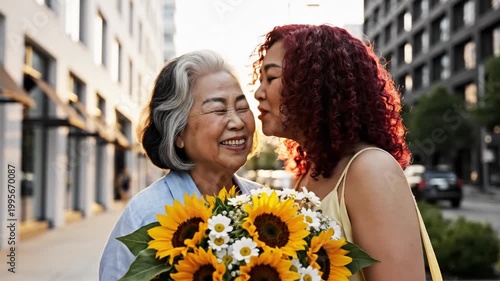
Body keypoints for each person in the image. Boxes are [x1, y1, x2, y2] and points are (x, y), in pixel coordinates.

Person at [252, 24, 426, 281]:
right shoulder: (307, 173)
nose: (258, 93)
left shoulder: (371, 169)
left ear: (313, 84)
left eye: (271, 78)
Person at [99, 50, 260, 280]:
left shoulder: (267, 207)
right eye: (218, 109)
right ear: (177, 132)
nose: (237, 122)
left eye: (243, 108)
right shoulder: (146, 213)